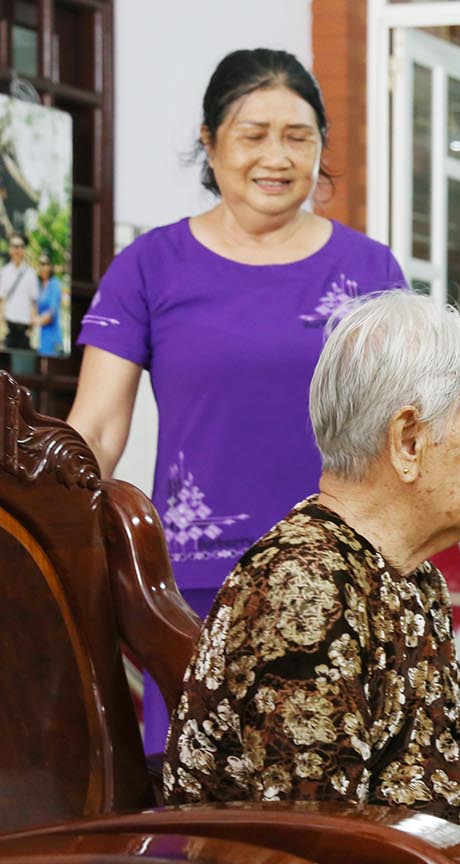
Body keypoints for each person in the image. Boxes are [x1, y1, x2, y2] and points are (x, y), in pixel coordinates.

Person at [162, 292, 460, 864]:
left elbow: (437, 785)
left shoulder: (409, 576)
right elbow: (323, 838)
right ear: (408, 441)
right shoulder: (303, 585)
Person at [66, 48, 405, 753]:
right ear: (210, 141)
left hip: (342, 585)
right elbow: (94, 430)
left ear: (321, 147)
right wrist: (41, 555)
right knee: (200, 807)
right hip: (191, 596)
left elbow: (404, 435)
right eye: (252, 135)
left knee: (334, 815)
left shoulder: (372, 272)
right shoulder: (150, 267)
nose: (275, 157)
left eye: (298, 136)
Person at [1, 234, 38, 350]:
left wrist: (31, 330)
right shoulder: (4, 272)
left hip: (25, 328)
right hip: (9, 327)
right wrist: (3, 326)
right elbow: (1, 300)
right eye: (15, 246)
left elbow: (33, 303)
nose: (18, 250)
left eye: (21, 247)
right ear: (10, 249)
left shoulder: (31, 273)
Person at [35, 252, 64, 357]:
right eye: (41, 264)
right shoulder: (38, 285)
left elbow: (52, 313)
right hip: (39, 338)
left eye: (46, 264)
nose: (43, 267)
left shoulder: (55, 284)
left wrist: (32, 323)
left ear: (50, 266)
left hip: (52, 338)